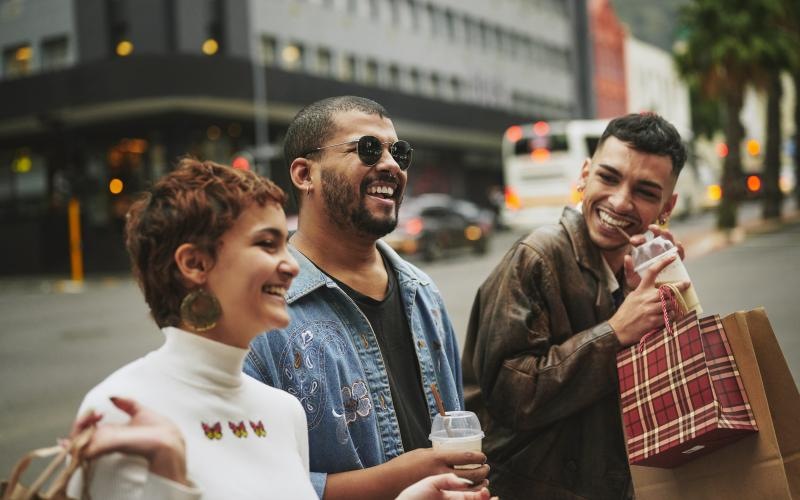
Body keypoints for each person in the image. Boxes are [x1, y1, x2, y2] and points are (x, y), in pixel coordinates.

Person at [245, 95, 490, 499]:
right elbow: (253, 485)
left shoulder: (423, 293)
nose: (392, 165)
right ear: (305, 174)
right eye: (368, 149)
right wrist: (406, 475)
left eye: (400, 152)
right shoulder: (261, 311)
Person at [461, 113, 690, 499]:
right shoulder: (537, 256)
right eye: (609, 177)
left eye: (646, 192)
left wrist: (655, 304)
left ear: (667, 207)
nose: (620, 201)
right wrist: (616, 332)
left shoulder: (634, 273)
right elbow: (511, 397)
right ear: (585, 175)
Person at [68, 158, 315, 499]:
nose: (292, 265)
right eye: (267, 244)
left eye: (286, 244)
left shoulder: (285, 412)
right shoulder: (118, 409)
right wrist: (168, 477)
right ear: (195, 263)